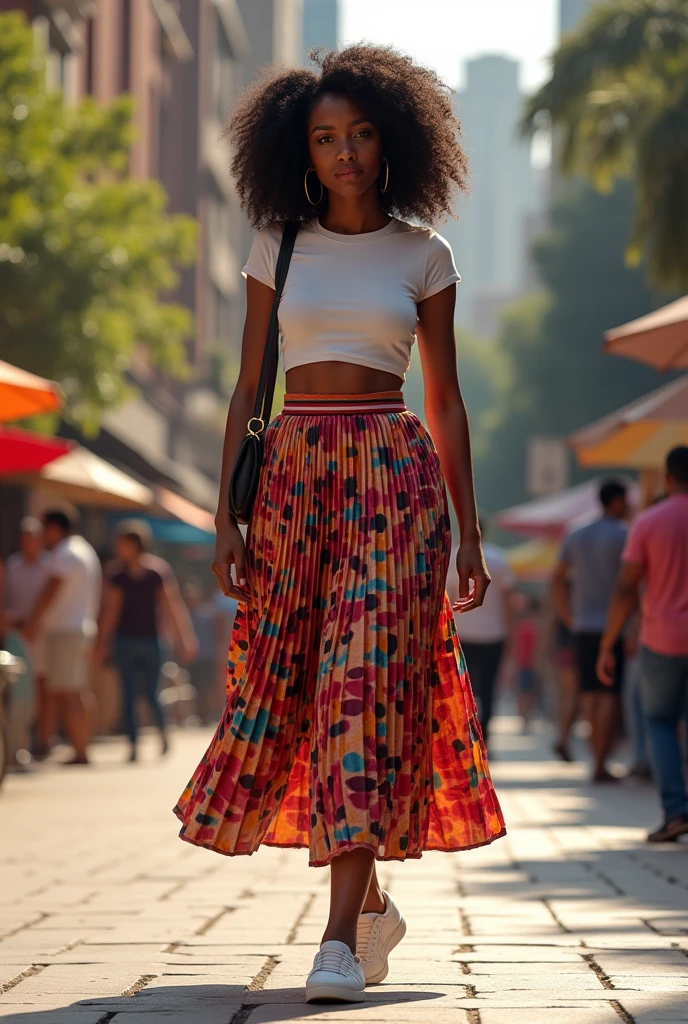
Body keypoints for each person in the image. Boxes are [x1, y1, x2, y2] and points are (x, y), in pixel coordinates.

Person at [173, 44, 505, 1004]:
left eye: (360, 133)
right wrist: (224, 520)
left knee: (361, 684)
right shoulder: (275, 242)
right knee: (301, 689)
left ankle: (332, 939)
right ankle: (368, 907)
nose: (345, 152)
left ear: (394, 138)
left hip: (393, 479)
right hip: (292, 483)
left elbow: (446, 401)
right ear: (300, 151)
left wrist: (468, 534)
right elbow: (249, 384)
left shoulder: (424, 253)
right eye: (325, 138)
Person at [597, 447, 688, 842]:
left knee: (661, 722)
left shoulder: (649, 521)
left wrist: (608, 643)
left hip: (662, 638)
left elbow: (625, 589)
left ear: (668, 479)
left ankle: (676, 811)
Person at [95, 520, 197, 762]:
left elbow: (171, 605)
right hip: (125, 640)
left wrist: (184, 638)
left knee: (152, 692)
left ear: (135, 544)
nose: (118, 547)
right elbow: (110, 612)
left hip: (152, 640)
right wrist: (102, 642)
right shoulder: (116, 575)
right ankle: (133, 744)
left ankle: (162, 732)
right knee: (128, 693)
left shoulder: (156, 572)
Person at [553, 480, 628, 783]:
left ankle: (594, 759)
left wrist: (567, 615)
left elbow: (557, 579)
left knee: (589, 692)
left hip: (583, 624)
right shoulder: (624, 534)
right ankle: (600, 761)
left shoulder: (576, 532)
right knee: (610, 692)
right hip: (615, 625)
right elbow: (630, 583)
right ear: (618, 501)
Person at [23, 508, 101, 766]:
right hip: (78, 628)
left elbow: (50, 592)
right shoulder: (83, 550)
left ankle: (80, 751)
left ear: (55, 528)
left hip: (67, 630)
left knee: (68, 691)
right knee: (76, 690)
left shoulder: (65, 553)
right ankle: (81, 748)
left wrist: (32, 623)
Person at [446, 523, 516, 747]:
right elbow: (508, 603)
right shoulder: (499, 558)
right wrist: (510, 632)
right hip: (493, 634)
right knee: (488, 689)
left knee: (462, 688)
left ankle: (465, 738)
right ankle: (484, 738)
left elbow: (445, 599)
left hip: (460, 634)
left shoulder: (452, 557)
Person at [4, 517, 50, 759]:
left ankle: (40, 740)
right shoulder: (12, 567)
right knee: (20, 690)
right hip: (18, 636)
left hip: (43, 636)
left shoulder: (50, 567)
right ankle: (18, 743)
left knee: (42, 690)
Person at [515, 595, 540, 732]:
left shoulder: (523, 626)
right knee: (529, 693)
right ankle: (526, 718)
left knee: (523, 693)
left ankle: (524, 718)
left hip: (524, 663)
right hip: (530, 664)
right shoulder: (536, 626)